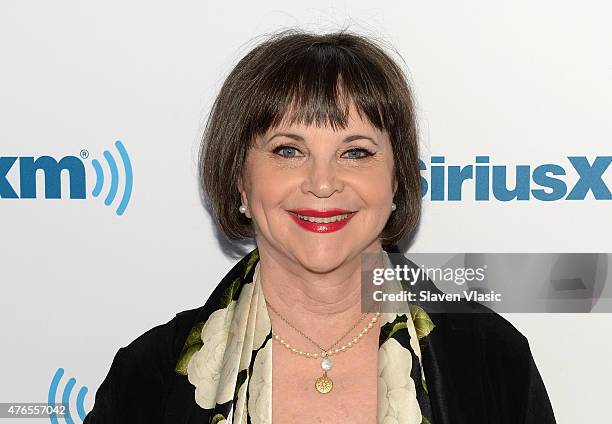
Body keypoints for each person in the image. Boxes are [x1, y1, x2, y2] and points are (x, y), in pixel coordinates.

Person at [83, 29, 556, 423]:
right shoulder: (149, 377)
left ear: (397, 180)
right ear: (240, 182)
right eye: (288, 150)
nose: (323, 183)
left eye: (356, 152)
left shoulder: (489, 358)